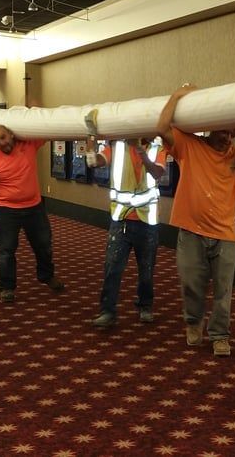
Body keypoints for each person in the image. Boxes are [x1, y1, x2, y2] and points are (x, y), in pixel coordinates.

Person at [156, 84, 235, 357]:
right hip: (191, 230)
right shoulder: (190, 145)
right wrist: (176, 95)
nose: (227, 138)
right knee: (191, 282)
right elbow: (161, 128)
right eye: (223, 131)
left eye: (230, 133)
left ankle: (219, 334)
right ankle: (194, 322)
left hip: (225, 233)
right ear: (210, 129)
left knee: (223, 290)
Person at [84, 130, 167, 327]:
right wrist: (91, 140)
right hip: (120, 219)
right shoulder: (117, 146)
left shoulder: (158, 146)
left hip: (147, 221)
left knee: (146, 270)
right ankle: (107, 311)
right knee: (112, 267)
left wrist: (140, 151)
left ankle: (145, 305)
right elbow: (94, 162)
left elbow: (157, 173)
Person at [0, 124, 65, 302]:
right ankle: (7, 287)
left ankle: (46, 276)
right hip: (7, 211)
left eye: (3, 138)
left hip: (34, 207)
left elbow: (47, 129)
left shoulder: (28, 145)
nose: (1, 143)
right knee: (6, 251)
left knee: (44, 244)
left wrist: (35, 108)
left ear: (11, 135)